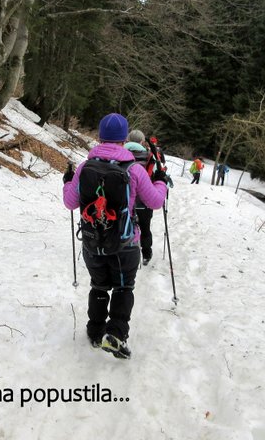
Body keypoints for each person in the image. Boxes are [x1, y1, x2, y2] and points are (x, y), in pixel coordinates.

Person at [63, 114, 168, 359]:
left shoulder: (85, 167)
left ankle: (95, 331)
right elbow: (155, 202)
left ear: (100, 137)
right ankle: (116, 334)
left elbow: (70, 202)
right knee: (123, 287)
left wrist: (67, 182)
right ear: (124, 139)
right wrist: (161, 182)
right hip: (125, 243)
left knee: (99, 285)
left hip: (93, 241)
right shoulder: (134, 169)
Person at [124, 129, 156, 265]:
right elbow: (153, 177)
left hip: (123, 200)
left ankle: (123, 251)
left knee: (122, 225)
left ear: (127, 140)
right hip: (143, 201)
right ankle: (146, 254)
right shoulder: (149, 157)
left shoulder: (120, 154)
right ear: (142, 142)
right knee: (145, 228)